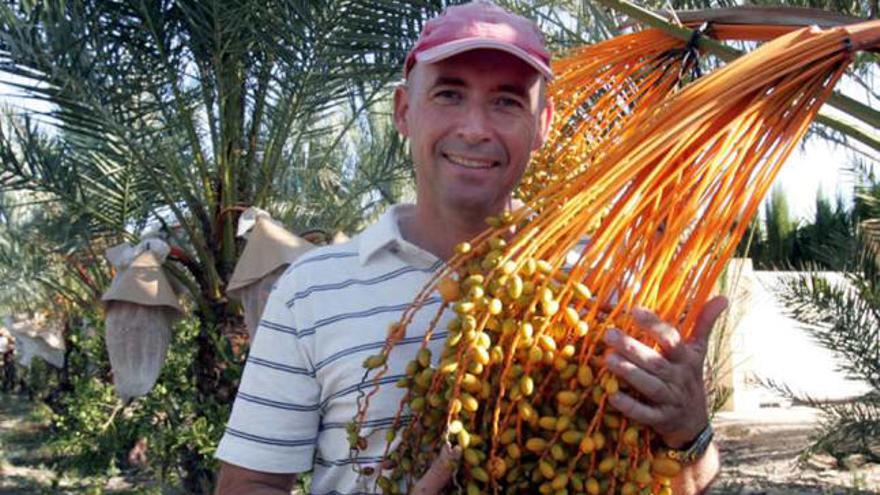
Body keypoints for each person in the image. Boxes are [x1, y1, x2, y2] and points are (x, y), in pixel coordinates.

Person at [214, 1, 726, 493]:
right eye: (449, 94)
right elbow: (250, 483)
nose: (475, 129)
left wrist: (690, 433)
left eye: (506, 101)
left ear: (542, 125)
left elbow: (672, 485)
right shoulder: (311, 290)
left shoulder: (602, 281)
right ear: (403, 111)